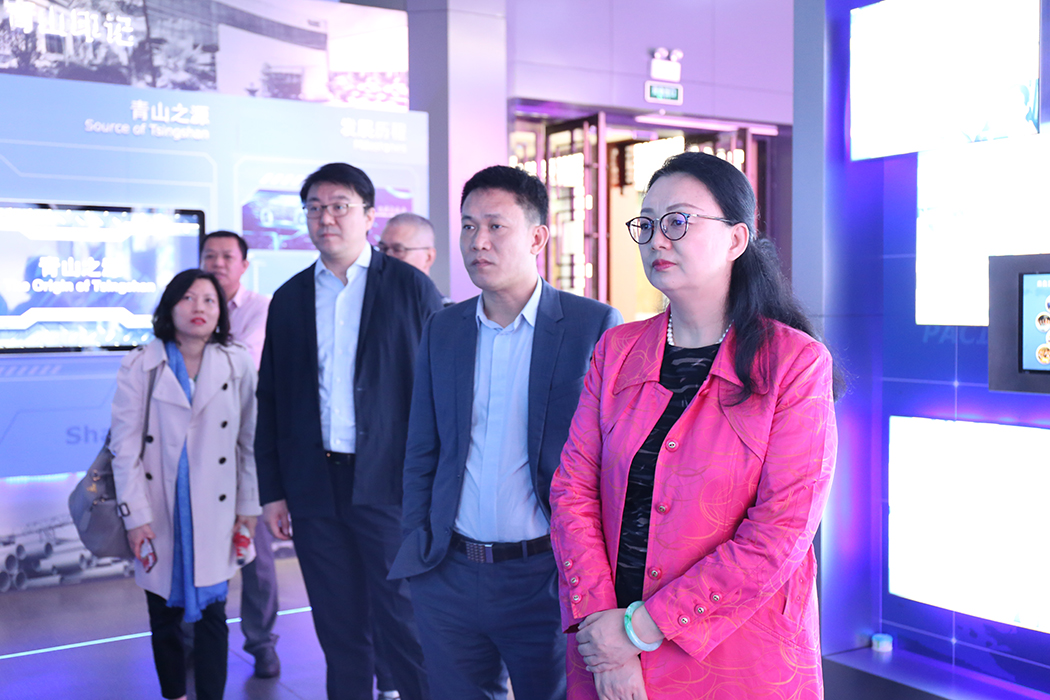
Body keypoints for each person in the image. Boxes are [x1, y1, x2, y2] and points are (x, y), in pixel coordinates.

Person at [548, 151, 839, 700]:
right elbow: (572, 491)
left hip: (734, 654)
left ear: (736, 239)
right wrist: (603, 629)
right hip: (606, 651)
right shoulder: (617, 350)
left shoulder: (794, 363)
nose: (657, 239)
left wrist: (638, 630)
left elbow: (779, 532)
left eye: (678, 221)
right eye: (647, 224)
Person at [390, 165, 622, 700]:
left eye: (496, 226)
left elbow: (612, 461)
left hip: (545, 575)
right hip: (448, 573)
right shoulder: (444, 328)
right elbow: (422, 448)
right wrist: (419, 545)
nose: (478, 241)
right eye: (469, 226)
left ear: (537, 238)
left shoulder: (591, 325)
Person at [255, 163, 442, 700]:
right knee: (338, 630)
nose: (326, 218)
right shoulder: (290, 298)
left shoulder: (410, 288)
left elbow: (440, 395)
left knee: (404, 624)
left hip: (390, 485)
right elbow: (272, 400)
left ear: (368, 215)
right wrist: (273, 491)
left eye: (339, 206)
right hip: (314, 487)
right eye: (314, 208)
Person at [111, 269, 261, 700]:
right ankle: (174, 694)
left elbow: (249, 440)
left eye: (210, 300)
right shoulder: (142, 363)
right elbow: (125, 448)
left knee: (215, 615)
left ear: (220, 311)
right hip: (160, 508)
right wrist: (136, 517)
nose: (200, 308)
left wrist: (248, 506)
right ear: (170, 306)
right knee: (163, 615)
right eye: (188, 298)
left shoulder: (236, 361)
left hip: (217, 510)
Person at [199, 230, 280, 679]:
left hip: (250, 444)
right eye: (209, 255)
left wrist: (197, 353)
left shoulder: (261, 307)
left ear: (244, 265)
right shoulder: (187, 304)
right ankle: (193, 639)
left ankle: (261, 643)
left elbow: (243, 360)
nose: (217, 263)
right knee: (196, 548)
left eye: (227, 256)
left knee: (256, 555)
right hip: (198, 446)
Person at [379, 213, 453, 308]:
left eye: (398, 250)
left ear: (428, 257)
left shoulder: (446, 312)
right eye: (383, 249)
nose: (387, 256)